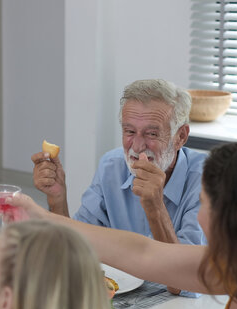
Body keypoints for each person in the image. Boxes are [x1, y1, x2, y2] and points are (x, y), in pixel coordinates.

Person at [9, 142, 237, 309]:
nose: (199, 216)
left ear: (231, 219)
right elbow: (142, 252)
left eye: (203, 204)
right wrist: (42, 218)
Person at [32, 79, 207, 296]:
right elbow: (74, 251)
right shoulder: (111, 166)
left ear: (180, 137)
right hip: (120, 299)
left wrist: (156, 208)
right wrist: (57, 200)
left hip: (185, 307)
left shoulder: (207, 180)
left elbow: (184, 284)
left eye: (152, 134)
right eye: (129, 131)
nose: (137, 146)